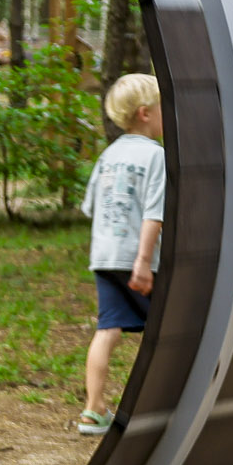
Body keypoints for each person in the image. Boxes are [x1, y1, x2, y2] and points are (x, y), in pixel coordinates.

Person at [77, 73, 165, 436]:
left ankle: (93, 409)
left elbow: (91, 207)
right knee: (168, 330)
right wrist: (143, 262)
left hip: (104, 257)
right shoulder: (155, 156)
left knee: (107, 329)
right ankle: (162, 409)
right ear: (145, 113)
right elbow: (154, 213)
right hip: (138, 261)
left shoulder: (108, 155)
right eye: (163, 109)